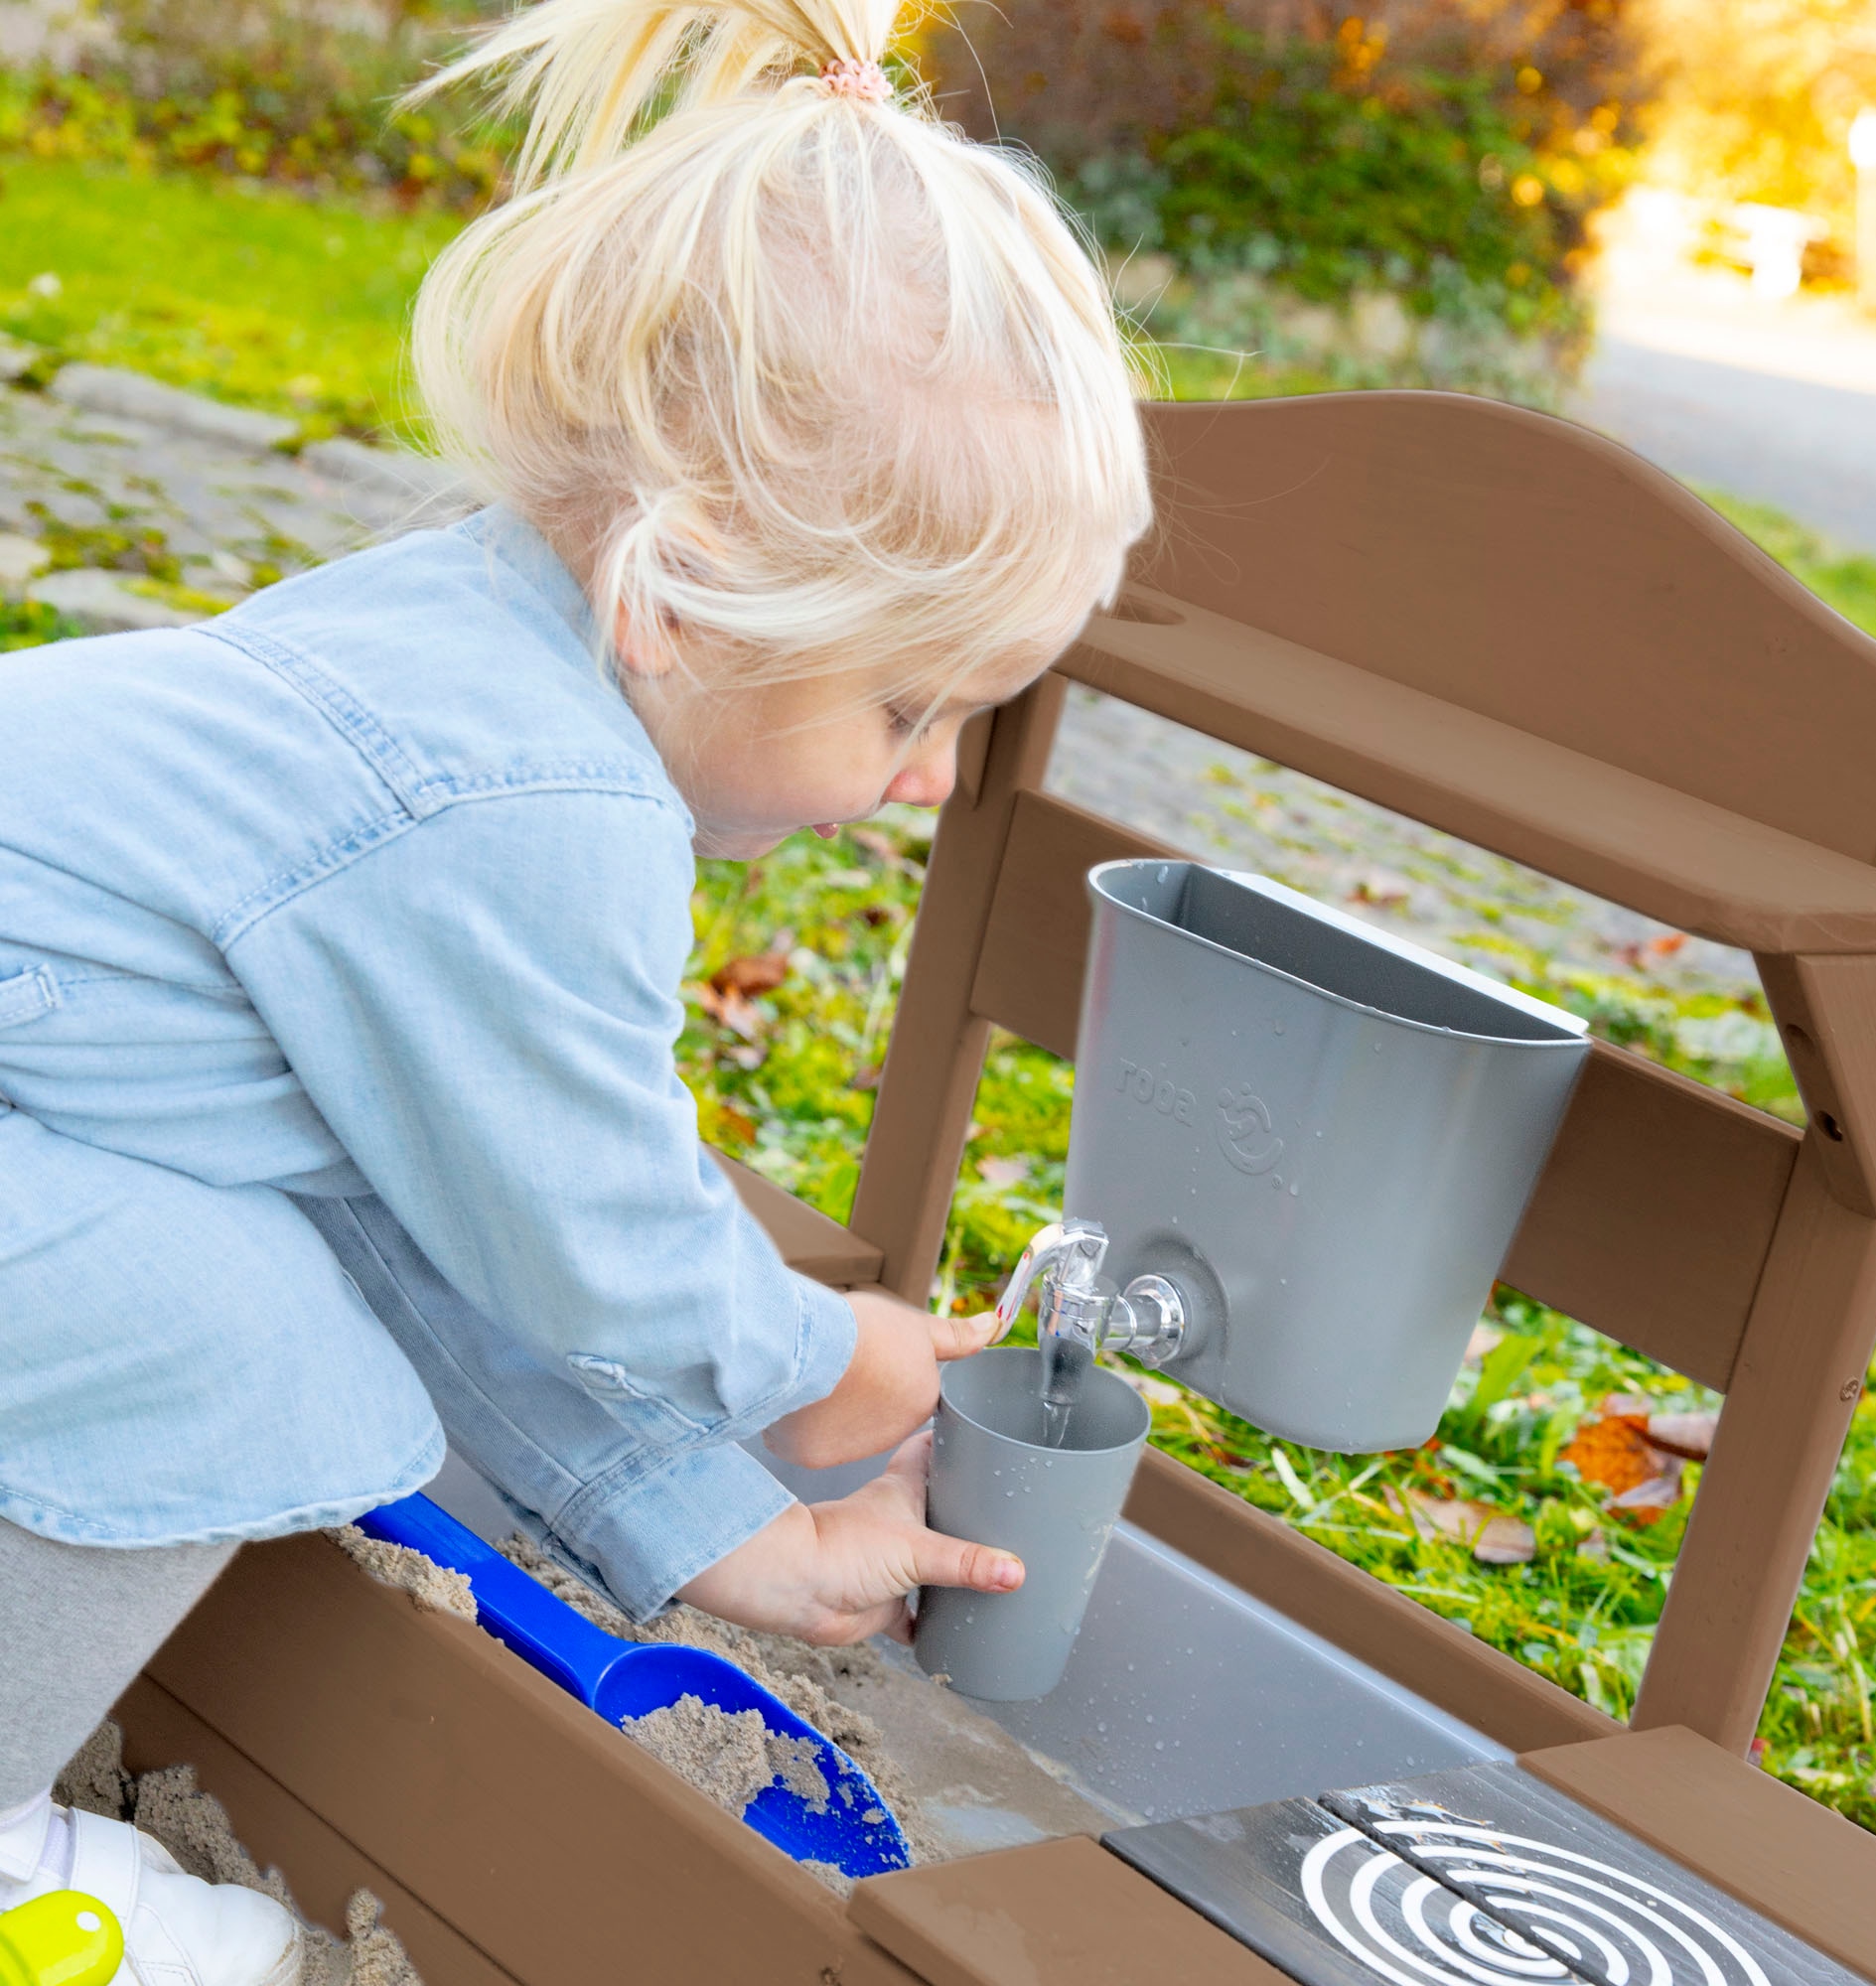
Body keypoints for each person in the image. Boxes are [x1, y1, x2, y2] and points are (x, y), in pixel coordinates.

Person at [0, 0, 1152, 1976]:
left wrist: (727, 1527)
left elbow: (435, 1228)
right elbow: (592, 1248)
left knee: (280, 1276)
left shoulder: (456, 642)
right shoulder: (531, 805)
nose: (932, 776)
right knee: (244, 1332)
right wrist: (813, 1356)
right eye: (907, 699)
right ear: (692, 587)